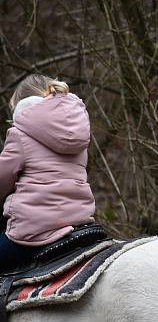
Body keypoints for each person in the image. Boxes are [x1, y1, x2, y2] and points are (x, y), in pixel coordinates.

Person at [0, 75, 95, 273]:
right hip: (78, 222)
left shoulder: (19, 133)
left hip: (33, 231)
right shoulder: (79, 134)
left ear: (20, 106)